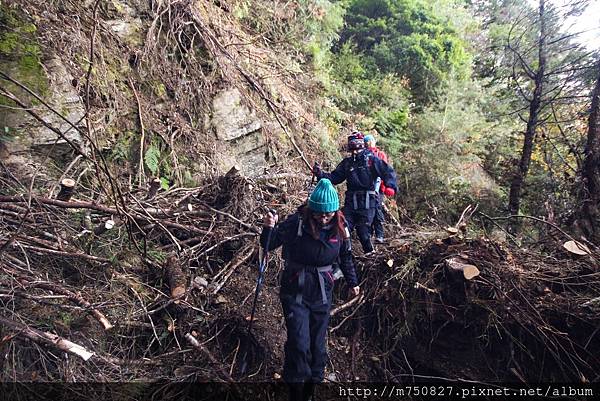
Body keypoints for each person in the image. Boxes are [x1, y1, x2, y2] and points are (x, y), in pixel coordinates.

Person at [261, 178, 360, 401]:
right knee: (299, 341)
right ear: (311, 209)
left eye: (328, 213)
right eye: (319, 213)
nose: (324, 218)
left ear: (335, 210)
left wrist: (353, 282)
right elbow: (269, 243)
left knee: (317, 343)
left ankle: (313, 384)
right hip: (295, 290)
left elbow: (346, 257)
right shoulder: (296, 222)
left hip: (323, 291)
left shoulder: (340, 227)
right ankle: (297, 391)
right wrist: (268, 227)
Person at [313, 132, 397, 254]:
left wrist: (391, 186)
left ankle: (370, 255)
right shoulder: (347, 163)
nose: (355, 153)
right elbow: (335, 177)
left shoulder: (371, 160)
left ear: (362, 146)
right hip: (351, 202)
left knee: (363, 233)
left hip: (367, 202)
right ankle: (343, 256)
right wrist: (320, 174)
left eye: (357, 149)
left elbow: (387, 171)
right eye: (352, 149)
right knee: (342, 227)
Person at [364, 134, 391, 243]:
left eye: (369, 142)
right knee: (367, 210)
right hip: (366, 188)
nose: (368, 144)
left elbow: (384, 170)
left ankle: (379, 235)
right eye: (366, 142)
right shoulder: (364, 155)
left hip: (379, 188)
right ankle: (369, 235)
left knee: (376, 209)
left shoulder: (380, 154)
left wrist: (384, 186)